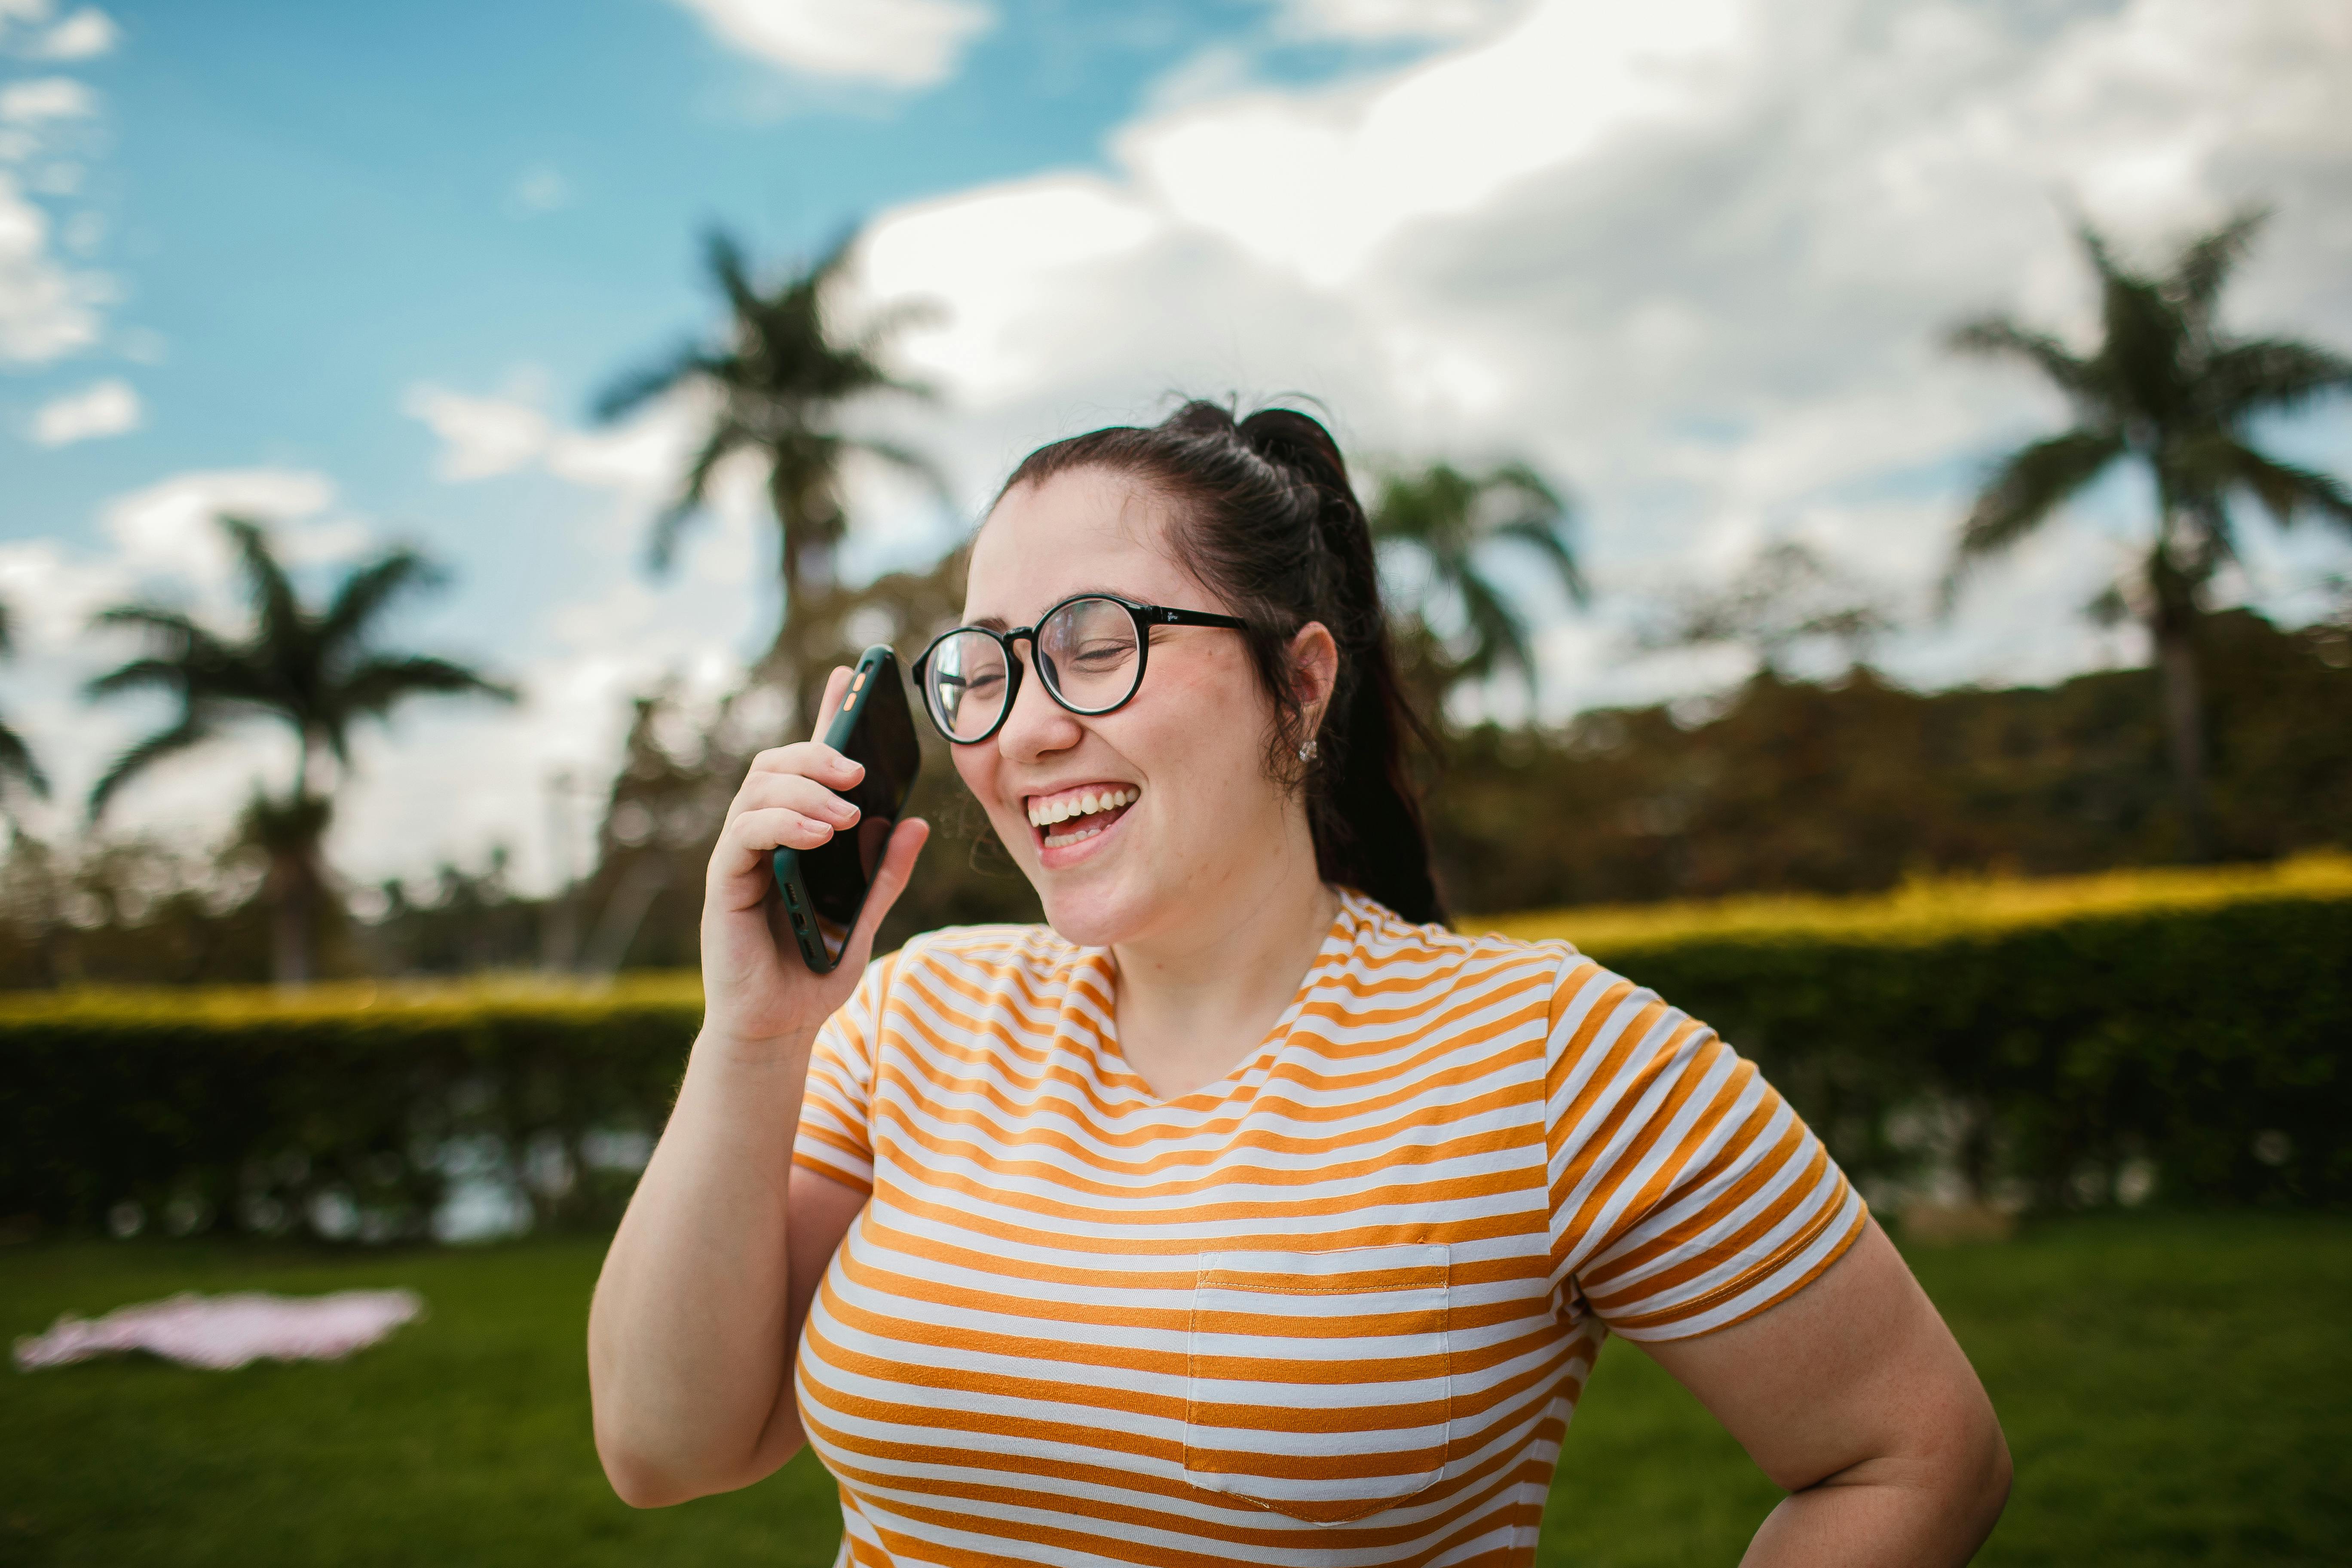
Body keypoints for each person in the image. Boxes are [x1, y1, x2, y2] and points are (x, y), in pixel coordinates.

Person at [588, 402, 2011, 1566]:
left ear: (1303, 682)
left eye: (1096, 643)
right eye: (985, 668)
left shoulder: (1554, 1057)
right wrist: (753, 1038)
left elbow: (1911, 1452)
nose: (1021, 730)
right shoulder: (915, 1020)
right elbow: (671, 1449)